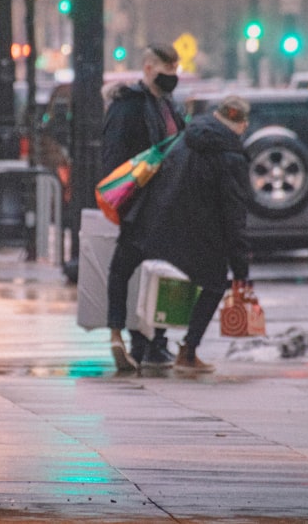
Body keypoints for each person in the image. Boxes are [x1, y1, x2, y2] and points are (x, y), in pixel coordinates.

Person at [119, 95, 254, 373]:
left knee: (162, 283)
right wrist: (240, 265)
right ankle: (189, 352)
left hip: (162, 224)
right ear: (242, 125)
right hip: (202, 233)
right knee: (215, 284)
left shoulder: (184, 138)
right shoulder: (230, 155)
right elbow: (233, 212)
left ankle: (146, 347)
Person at [103, 43, 187, 371]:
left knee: (161, 271)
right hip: (141, 202)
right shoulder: (130, 106)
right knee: (126, 266)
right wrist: (122, 201)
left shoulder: (167, 105)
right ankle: (133, 338)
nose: (172, 79)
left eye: (175, 73)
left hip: (166, 202)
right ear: (149, 69)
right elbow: (113, 155)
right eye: (167, 73)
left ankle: (150, 341)